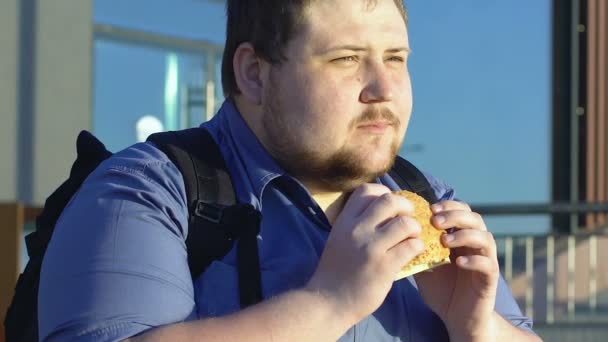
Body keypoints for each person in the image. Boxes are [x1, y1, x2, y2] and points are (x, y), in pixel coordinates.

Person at [38, 1, 542, 341]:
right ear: (254, 74)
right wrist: (328, 303)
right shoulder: (146, 194)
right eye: (346, 59)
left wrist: (479, 327)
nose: (384, 88)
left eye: (396, 57)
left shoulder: (426, 200)